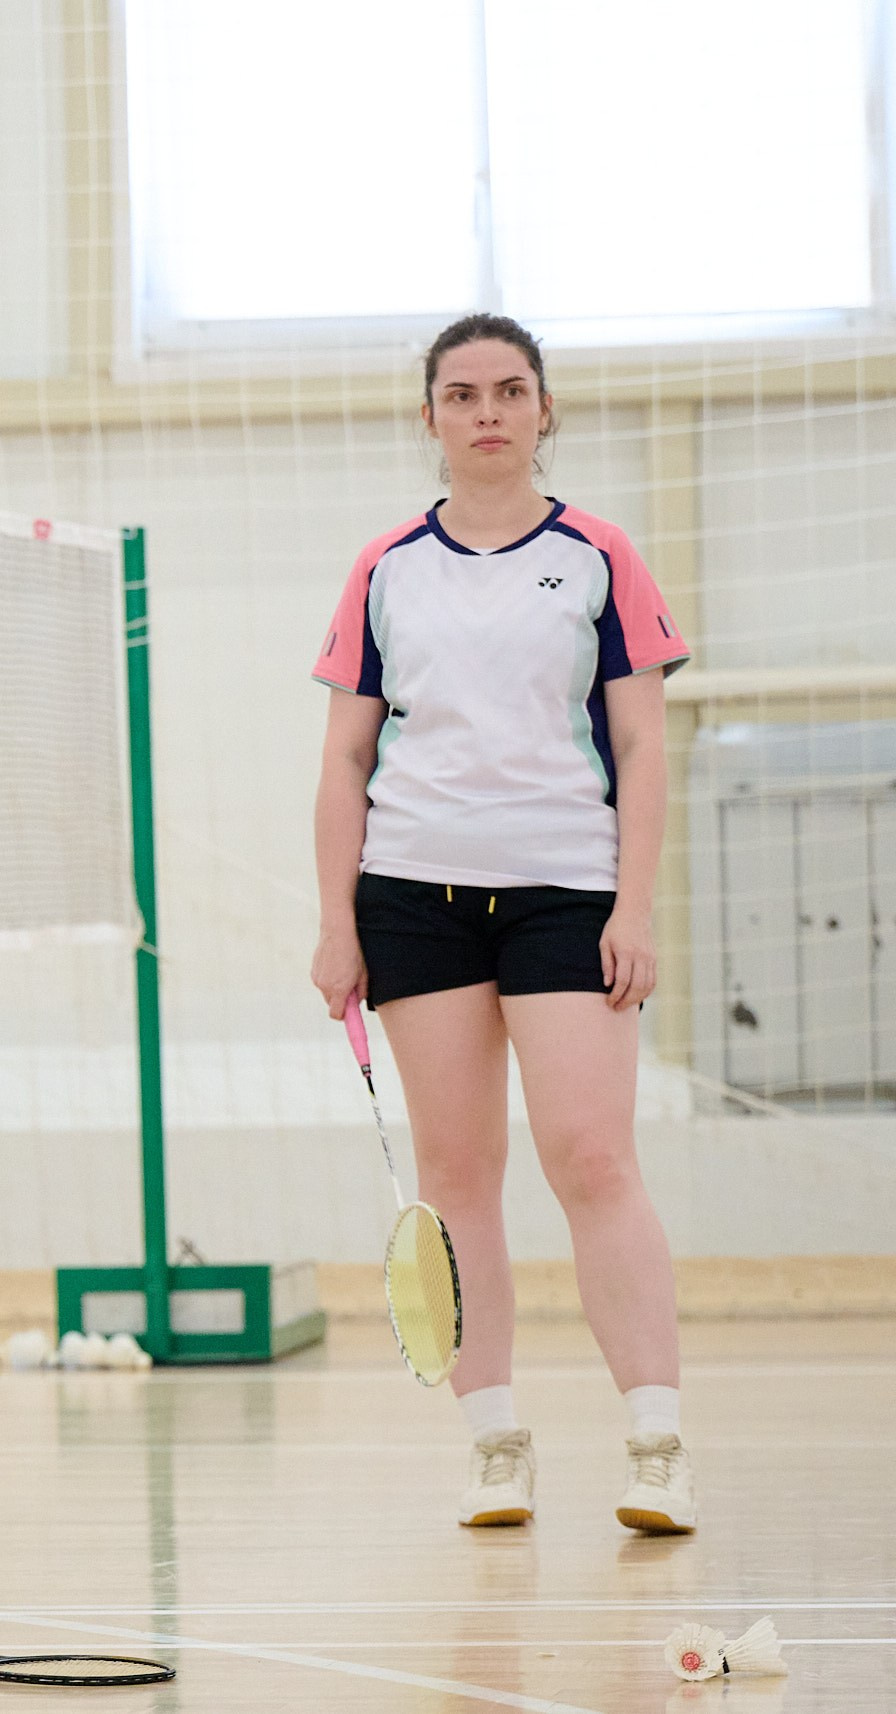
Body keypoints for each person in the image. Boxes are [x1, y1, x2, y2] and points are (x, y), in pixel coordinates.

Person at [310, 312, 696, 1534]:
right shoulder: (383, 566)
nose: (486, 411)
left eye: (509, 390)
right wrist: (336, 921)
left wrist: (633, 902)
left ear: (543, 411)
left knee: (592, 1156)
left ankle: (656, 1443)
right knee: (456, 1173)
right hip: (413, 897)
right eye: (461, 393)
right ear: (428, 417)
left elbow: (640, 743)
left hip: (565, 894)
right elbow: (343, 761)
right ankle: (495, 1445)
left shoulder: (598, 554)